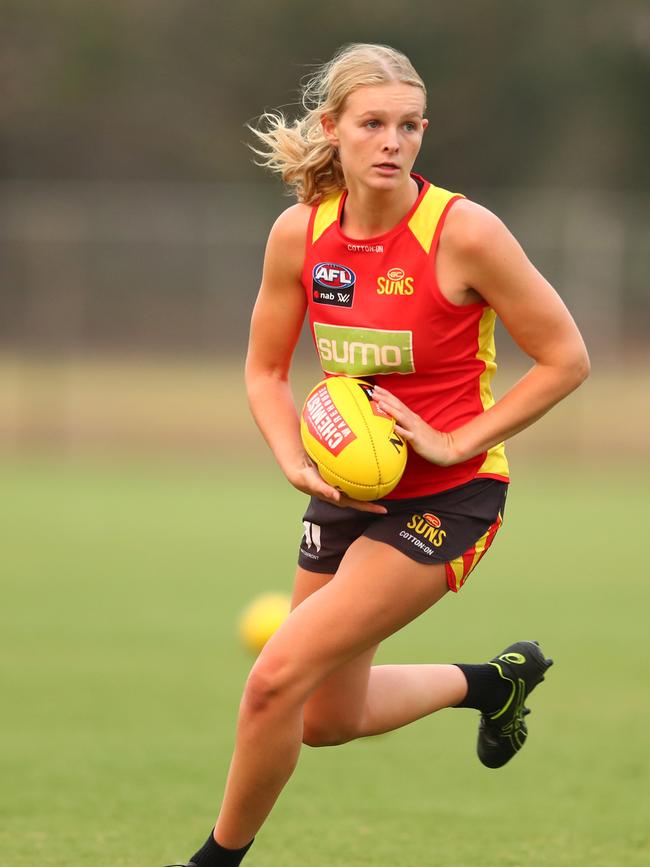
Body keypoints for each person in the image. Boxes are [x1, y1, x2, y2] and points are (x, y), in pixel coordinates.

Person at [166, 43, 589, 867]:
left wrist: (460, 439)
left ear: (422, 131)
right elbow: (261, 370)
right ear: (334, 129)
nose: (392, 141)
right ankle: (492, 683)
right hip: (349, 491)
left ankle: (211, 863)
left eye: (408, 125)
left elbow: (566, 357)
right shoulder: (301, 234)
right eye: (372, 124)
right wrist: (294, 457)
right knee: (323, 718)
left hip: (451, 496)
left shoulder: (464, 232)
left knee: (272, 680)